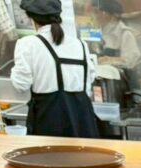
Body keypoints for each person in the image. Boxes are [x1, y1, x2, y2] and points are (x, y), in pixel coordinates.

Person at [11, 0, 98, 138]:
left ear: (30, 18)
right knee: (83, 152)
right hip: (83, 123)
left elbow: (21, 85)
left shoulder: (27, 44)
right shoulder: (81, 44)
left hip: (49, 122)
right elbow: (89, 82)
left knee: (52, 153)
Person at [95, 0, 139, 69]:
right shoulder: (98, 32)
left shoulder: (125, 34)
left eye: (102, 13)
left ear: (114, 16)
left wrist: (108, 59)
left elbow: (130, 60)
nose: (97, 16)